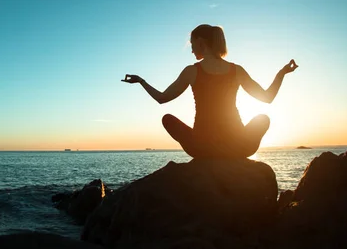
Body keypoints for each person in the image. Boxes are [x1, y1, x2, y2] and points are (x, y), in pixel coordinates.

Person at [122, 24, 298, 158]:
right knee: (263, 119)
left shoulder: (192, 71)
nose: (191, 49)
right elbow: (267, 97)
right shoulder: (237, 70)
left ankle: (214, 153)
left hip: (203, 147)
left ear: (200, 42)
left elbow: (162, 98)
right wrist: (282, 73)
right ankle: (233, 150)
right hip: (238, 146)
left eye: (192, 44)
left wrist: (141, 81)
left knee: (167, 119)